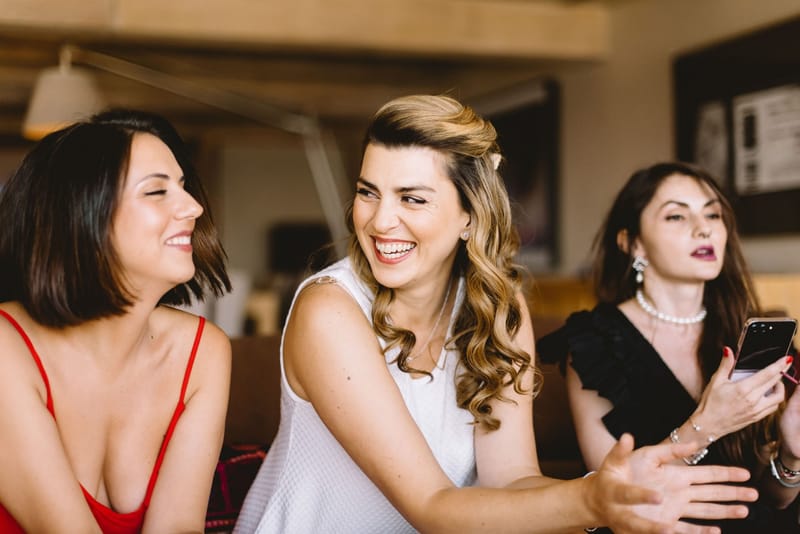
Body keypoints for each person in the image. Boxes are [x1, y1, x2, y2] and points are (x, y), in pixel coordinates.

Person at [235, 96, 759, 534]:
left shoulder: (498, 310)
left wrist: (611, 494)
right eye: (368, 193)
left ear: (469, 216)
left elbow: (510, 481)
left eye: (412, 198)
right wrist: (591, 501)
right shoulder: (329, 309)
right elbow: (431, 506)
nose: (379, 220)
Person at [0, 109, 232, 533]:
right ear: (83, 216)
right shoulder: (5, 348)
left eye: (182, 186)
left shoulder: (203, 350)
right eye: (156, 192)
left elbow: (179, 527)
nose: (194, 207)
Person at [537, 161, 800, 531]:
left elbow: (772, 498)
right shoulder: (593, 342)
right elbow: (613, 500)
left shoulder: (747, 333)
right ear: (633, 243)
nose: (703, 228)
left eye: (713, 215)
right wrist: (708, 425)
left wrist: (791, 454)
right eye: (677, 217)